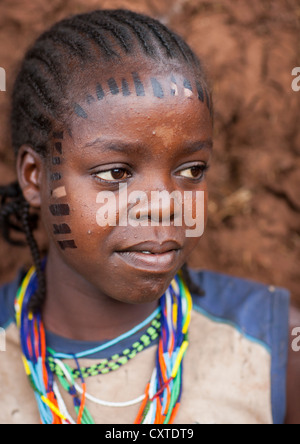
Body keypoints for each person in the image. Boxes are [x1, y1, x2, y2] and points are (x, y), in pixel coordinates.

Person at [0, 9, 299, 425]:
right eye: (116, 173)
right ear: (35, 178)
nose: (164, 204)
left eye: (191, 170)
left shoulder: (272, 343)